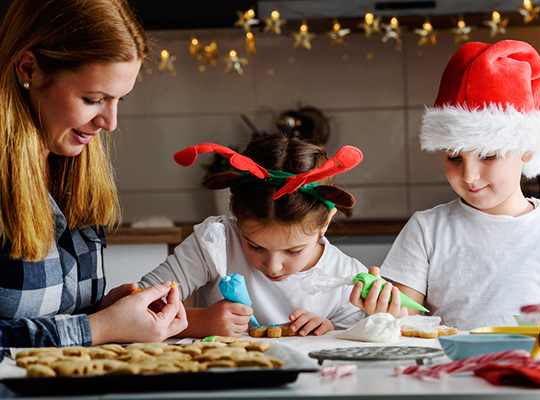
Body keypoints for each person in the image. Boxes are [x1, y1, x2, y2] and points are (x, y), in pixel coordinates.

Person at [350, 40, 540, 330]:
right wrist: (384, 314)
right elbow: (402, 324)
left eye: (488, 155)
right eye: (453, 157)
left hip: (530, 373)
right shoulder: (427, 230)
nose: (469, 175)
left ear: (526, 149)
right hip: (447, 372)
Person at [0, 0, 187, 348]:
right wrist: (100, 328)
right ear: (28, 69)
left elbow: (48, 319)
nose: (110, 123)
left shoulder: (72, 171)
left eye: (119, 100)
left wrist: (105, 311)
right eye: (92, 99)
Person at [138, 133, 369, 338]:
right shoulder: (215, 242)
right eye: (254, 246)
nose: (273, 266)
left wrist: (328, 330)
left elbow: (351, 346)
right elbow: (136, 305)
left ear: (326, 221)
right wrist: (199, 321)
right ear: (235, 211)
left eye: (293, 251)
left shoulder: (347, 277)